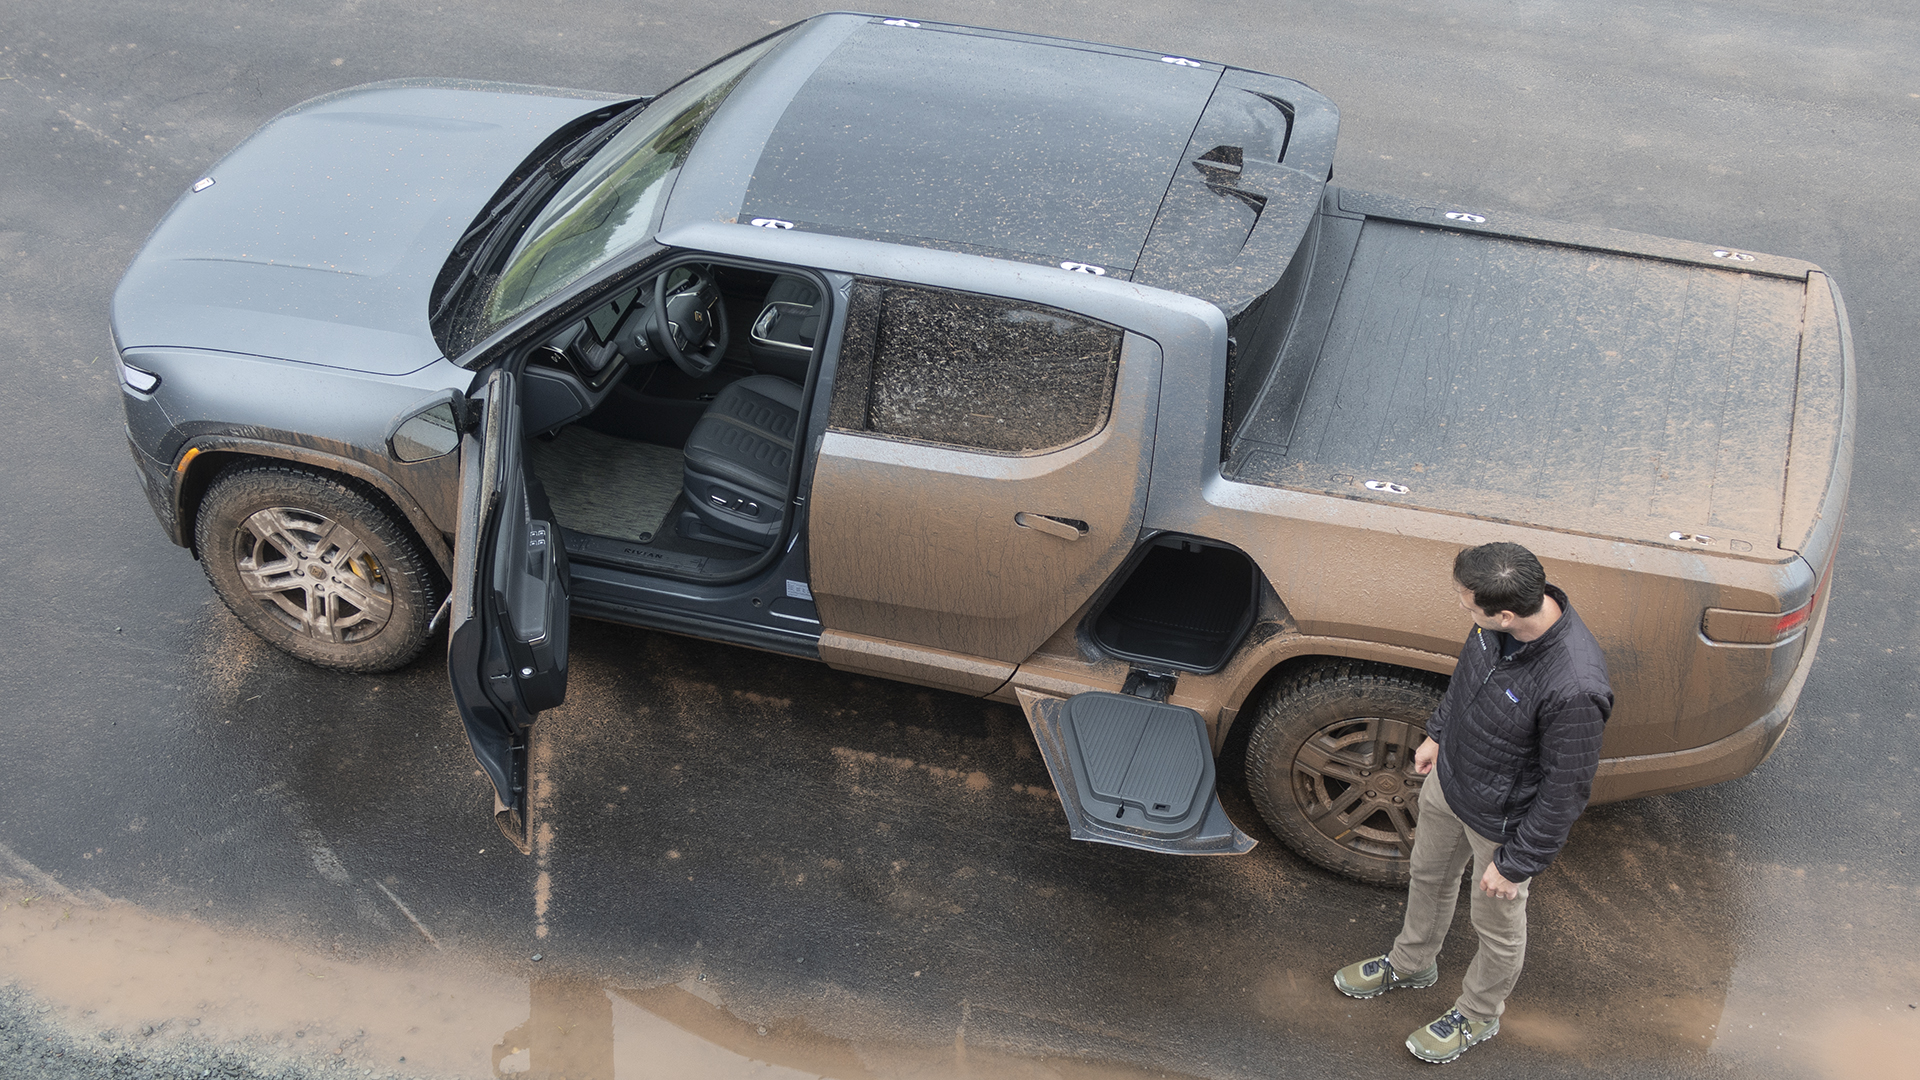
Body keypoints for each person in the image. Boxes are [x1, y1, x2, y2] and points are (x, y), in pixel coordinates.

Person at [1333, 542, 1612, 1064]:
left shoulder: (1574, 685)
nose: (1463, 608)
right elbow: (1466, 680)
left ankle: (1479, 1012)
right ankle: (1412, 963)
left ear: (1506, 612)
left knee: (1497, 929)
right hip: (1450, 782)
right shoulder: (1493, 627)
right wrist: (1437, 734)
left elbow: (1566, 788)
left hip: (1502, 825)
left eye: (1467, 602)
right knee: (1428, 875)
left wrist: (1517, 863)